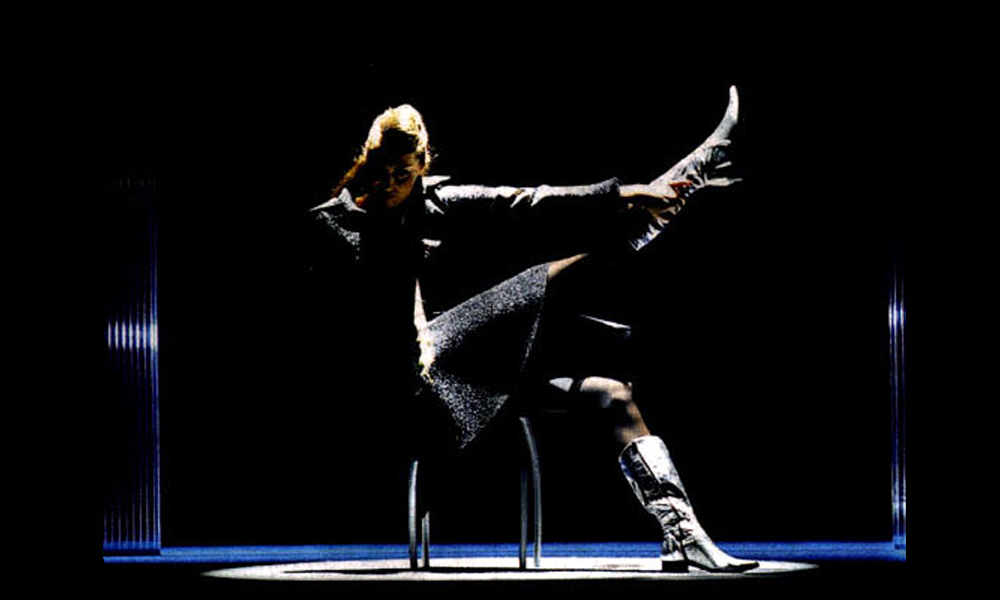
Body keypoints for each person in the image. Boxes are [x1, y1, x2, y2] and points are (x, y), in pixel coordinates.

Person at [303, 87, 758, 572]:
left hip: (463, 384)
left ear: (421, 166)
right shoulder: (333, 226)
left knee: (611, 396)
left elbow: (529, 202)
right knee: (559, 277)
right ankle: (686, 182)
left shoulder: (433, 203)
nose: (390, 184)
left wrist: (623, 192)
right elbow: (336, 335)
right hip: (401, 393)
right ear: (366, 160)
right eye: (381, 170)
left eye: (403, 173)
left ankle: (681, 535)